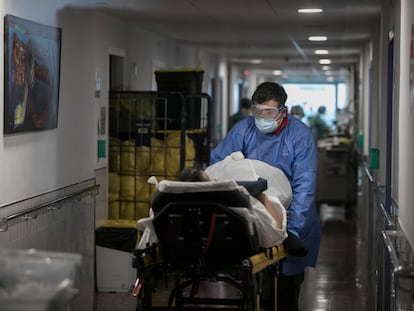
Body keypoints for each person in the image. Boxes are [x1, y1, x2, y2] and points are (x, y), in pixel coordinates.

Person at [209, 81, 321, 311]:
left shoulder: (300, 137)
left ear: (282, 112)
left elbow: (304, 185)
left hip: (289, 217)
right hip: (252, 217)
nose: (261, 117)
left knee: (285, 291)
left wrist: (293, 231)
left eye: (268, 112)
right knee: (254, 287)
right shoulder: (243, 130)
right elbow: (219, 166)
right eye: (256, 111)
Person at [137, 160, 288, 250]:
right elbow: (275, 235)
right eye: (212, 180)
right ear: (209, 186)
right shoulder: (237, 204)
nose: (216, 179)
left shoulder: (167, 207)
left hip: (181, 254)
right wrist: (262, 197)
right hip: (235, 253)